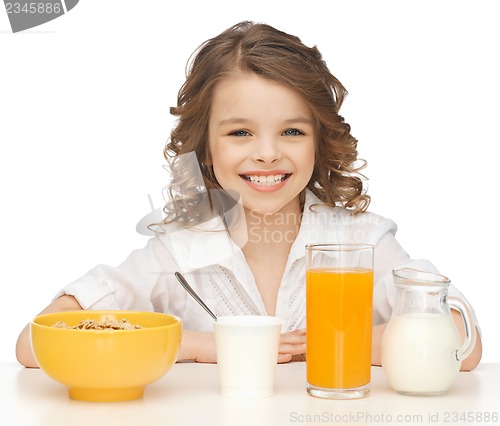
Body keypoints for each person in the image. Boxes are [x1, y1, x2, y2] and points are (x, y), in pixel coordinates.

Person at [16, 21, 482, 369]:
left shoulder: (364, 243)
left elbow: (463, 344)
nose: (266, 154)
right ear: (206, 145)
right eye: (240, 131)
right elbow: (35, 343)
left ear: (319, 140)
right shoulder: (177, 252)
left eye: (292, 131)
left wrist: (343, 340)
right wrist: (203, 346)